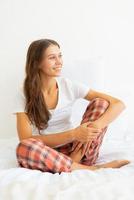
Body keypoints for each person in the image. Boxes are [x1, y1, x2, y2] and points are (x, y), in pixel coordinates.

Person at [13, 39, 130, 174]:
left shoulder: (68, 85)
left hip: (80, 151)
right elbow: (26, 138)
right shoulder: (24, 93)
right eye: (52, 57)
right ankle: (89, 169)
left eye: (60, 56)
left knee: (101, 102)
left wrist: (94, 127)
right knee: (24, 147)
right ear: (37, 63)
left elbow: (118, 104)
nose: (59, 62)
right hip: (47, 154)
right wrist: (73, 134)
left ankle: (71, 164)